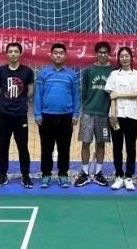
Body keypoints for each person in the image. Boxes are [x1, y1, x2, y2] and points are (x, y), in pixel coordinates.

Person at [34, 43, 79, 189]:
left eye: (61, 53)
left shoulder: (71, 74)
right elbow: (38, 95)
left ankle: (63, 174)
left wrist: (75, 113)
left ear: (65, 56)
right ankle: (46, 174)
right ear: (51, 55)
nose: (58, 55)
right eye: (55, 52)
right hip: (46, 117)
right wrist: (37, 113)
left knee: (64, 148)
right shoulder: (43, 73)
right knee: (46, 148)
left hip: (66, 117)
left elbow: (76, 96)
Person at [0, 42, 35, 189]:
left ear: (20, 53)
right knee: (3, 146)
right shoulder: (1, 71)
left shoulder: (27, 71)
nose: (13, 54)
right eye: (10, 51)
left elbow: (30, 91)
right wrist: (6, 102)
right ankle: (2, 175)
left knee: (23, 147)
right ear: (7, 54)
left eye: (16, 51)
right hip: (3, 116)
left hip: (20, 115)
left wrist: (19, 101)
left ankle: (26, 176)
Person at [104, 46, 137, 191]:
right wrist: (113, 114)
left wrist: (120, 94)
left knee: (131, 147)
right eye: (122, 56)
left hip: (132, 115)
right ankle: (119, 176)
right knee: (117, 146)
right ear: (118, 59)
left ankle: (128, 176)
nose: (124, 58)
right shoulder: (114, 74)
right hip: (117, 115)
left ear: (131, 58)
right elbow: (112, 95)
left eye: (127, 56)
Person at [74, 41, 114, 188]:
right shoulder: (88, 71)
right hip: (88, 113)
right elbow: (84, 93)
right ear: (96, 53)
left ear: (108, 54)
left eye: (105, 52)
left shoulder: (113, 71)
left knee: (100, 144)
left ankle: (98, 173)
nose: (103, 55)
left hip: (104, 114)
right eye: (100, 52)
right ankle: (85, 173)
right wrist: (84, 109)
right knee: (85, 143)